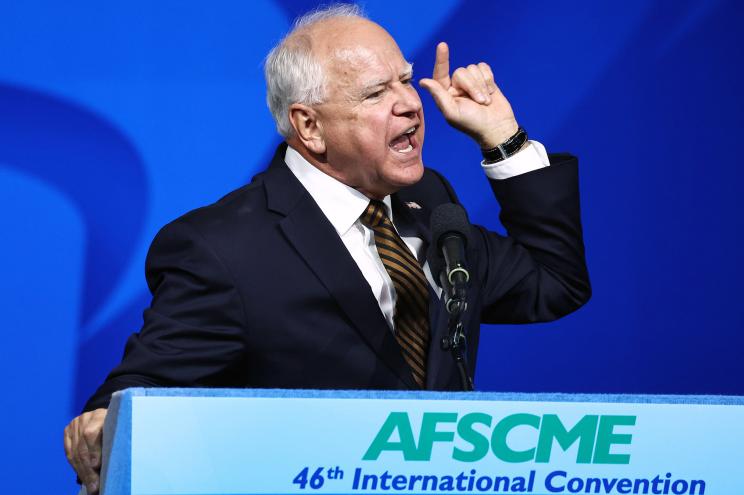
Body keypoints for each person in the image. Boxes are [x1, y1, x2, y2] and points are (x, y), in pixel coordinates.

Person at [63, 4, 590, 493]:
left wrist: (504, 138)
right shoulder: (224, 248)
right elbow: (138, 395)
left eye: (406, 80)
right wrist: (107, 420)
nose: (410, 103)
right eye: (376, 93)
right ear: (309, 126)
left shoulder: (430, 204)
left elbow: (553, 282)